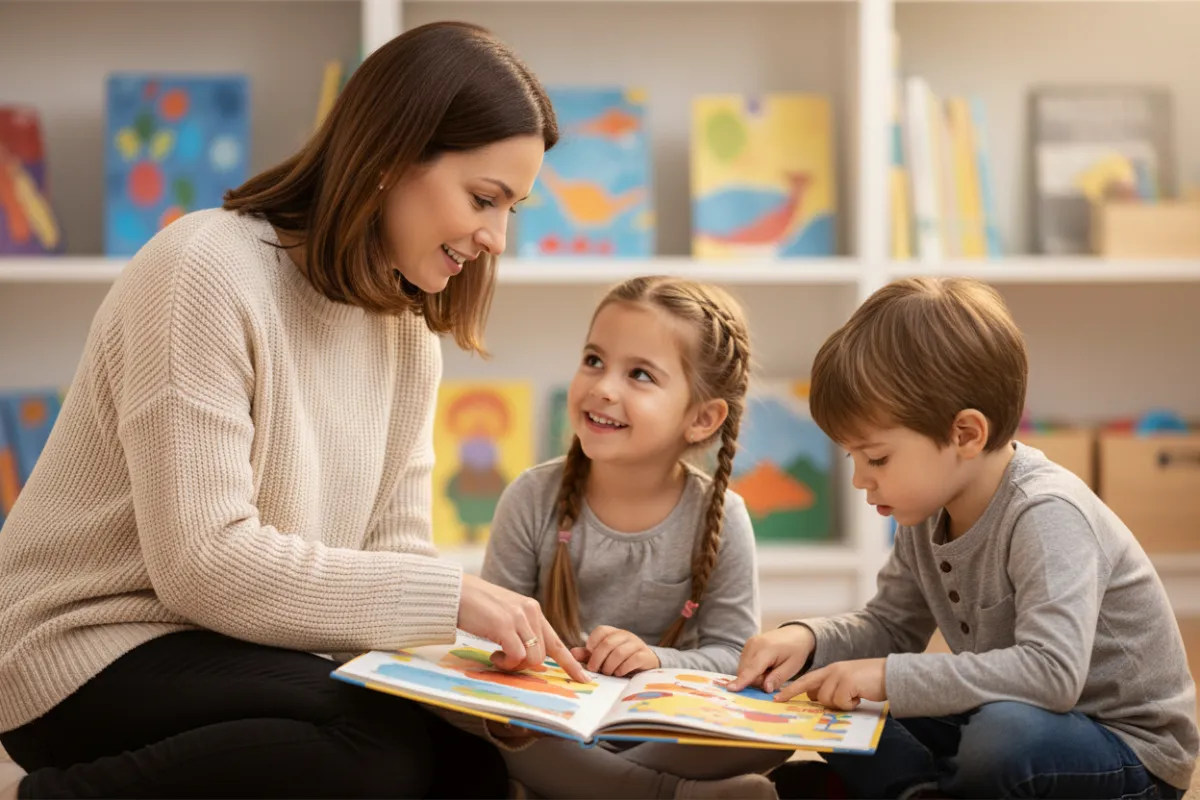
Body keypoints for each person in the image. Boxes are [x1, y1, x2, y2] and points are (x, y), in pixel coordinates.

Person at [0, 20, 588, 800]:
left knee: (468, 763)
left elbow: (394, 553)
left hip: (244, 650)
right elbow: (202, 566)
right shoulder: (203, 271)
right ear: (388, 158)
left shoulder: (409, 336)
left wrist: (489, 690)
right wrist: (456, 601)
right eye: (485, 199)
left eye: (512, 208)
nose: (497, 238)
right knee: (375, 752)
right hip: (88, 647)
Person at [729, 276, 1198, 799]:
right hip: (1004, 713)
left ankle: (895, 787)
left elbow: (1052, 675)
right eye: (853, 458)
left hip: (1126, 751)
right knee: (826, 695)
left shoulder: (1046, 514)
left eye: (877, 458)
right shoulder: (927, 511)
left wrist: (887, 678)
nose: (862, 478)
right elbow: (889, 625)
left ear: (966, 434)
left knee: (1000, 738)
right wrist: (809, 639)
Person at [480, 276, 788, 800]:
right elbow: (489, 639)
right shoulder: (530, 498)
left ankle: (595, 787)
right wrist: (518, 657)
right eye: (594, 360)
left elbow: (734, 654)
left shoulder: (722, 514)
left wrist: (655, 660)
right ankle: (671, 794)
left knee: (774, 723)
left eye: (639, 374)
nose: (602, 386)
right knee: (497, 730)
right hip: (555, 722)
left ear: (702, 418)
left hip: (660, 722)